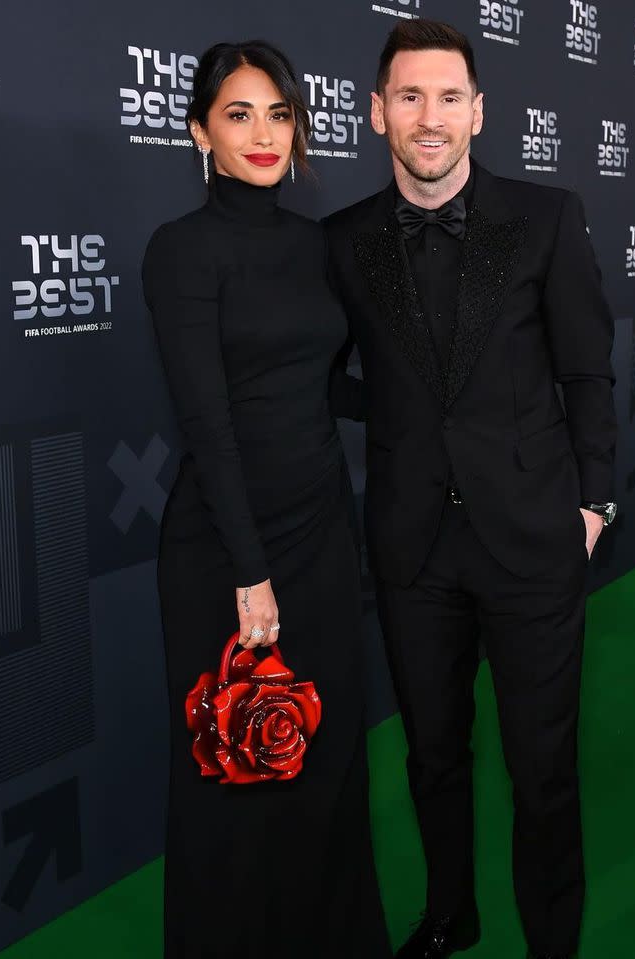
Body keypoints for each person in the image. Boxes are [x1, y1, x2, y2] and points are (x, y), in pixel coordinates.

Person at [324, 19, 617, 959]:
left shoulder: (546, 217)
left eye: (449, 96)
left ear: (479, 111)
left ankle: (552, 944)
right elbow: (318, 370)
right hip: (414, 545)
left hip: (534, 536)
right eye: (409, 96)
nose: (430, 116)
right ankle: (451, 914)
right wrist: (407, 422)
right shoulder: (341, 241)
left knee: (544, 771)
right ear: (377, 113)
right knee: (433, 756)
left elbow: (587, 371)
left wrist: (596, 502)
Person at [141, 40, 390, 959]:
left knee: (323, 763)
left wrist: (424, 406)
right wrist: (251, 574)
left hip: (322, 535)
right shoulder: (181, 251)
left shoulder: (309, 245)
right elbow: (208, 419)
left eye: (278, 115)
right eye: (238, 115)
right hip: (227, 550)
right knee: (234, 775)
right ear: (200, 131)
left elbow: (317, 384)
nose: (261, 135)